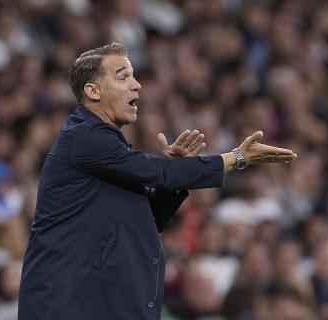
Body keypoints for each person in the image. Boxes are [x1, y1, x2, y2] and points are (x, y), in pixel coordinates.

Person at [18, 42, 297, 319]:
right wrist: (236, 157)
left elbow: (148, 222)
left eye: (134, 76)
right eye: (123, 76)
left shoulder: (107, 151)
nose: (137, 85)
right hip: (65, 306)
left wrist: (179, 173)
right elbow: (161, 173)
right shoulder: (85, 137)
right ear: (93, 91)